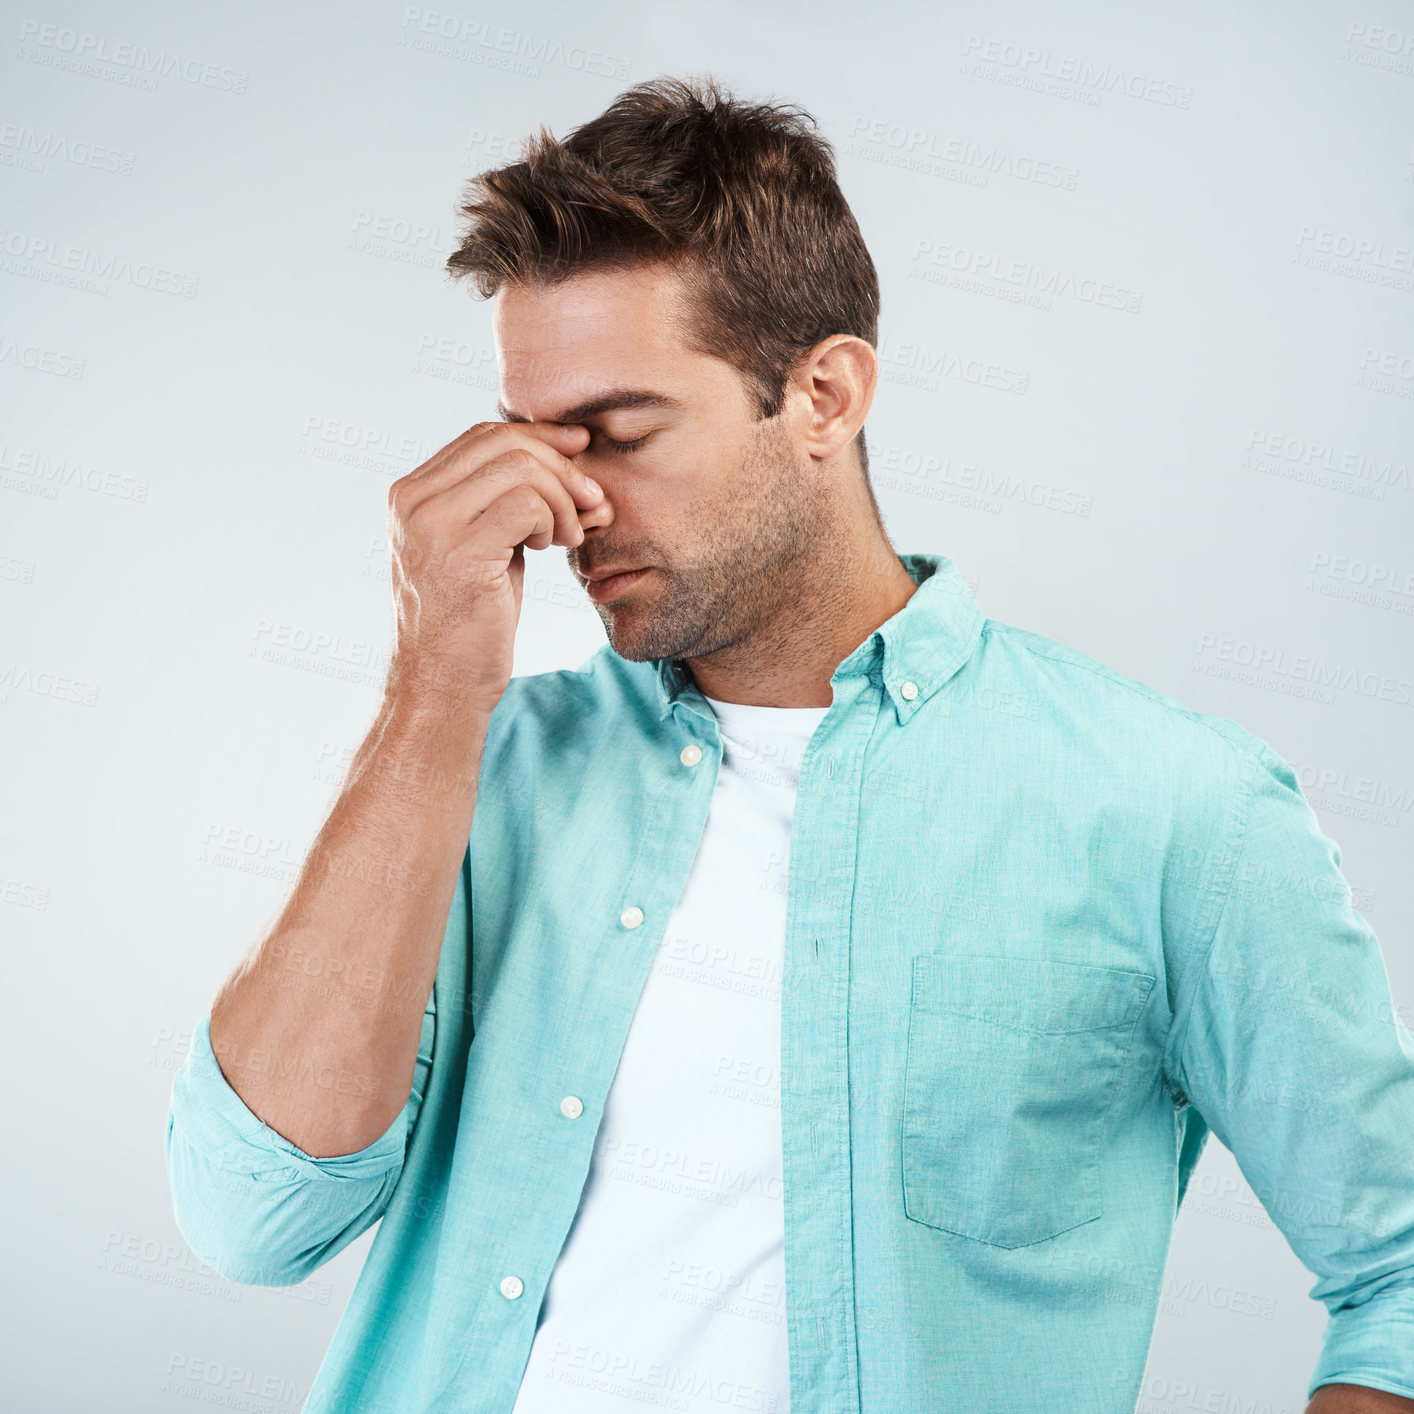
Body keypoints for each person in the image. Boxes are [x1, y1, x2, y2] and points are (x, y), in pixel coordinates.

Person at [164, 74, 1414, 1414]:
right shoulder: (474, 770)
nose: (567, 504)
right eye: (535, 440)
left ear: (823, 393)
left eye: (622, 433)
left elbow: (1392, 1276)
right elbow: (251, 1217)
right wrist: (430, 680)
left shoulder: (1172, 807)